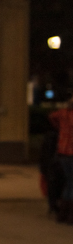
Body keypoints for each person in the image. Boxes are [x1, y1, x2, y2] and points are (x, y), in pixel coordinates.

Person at [49, 95, 73, 223]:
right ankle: (70, 215)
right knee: (71, 183)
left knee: (69, 182)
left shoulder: (62, 113)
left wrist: (58, 126)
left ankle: (62, 213)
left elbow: (51, 116)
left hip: (62, 152)